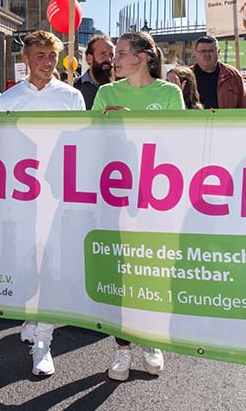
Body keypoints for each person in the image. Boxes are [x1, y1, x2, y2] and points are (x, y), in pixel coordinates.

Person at [0, 30, 85, 377]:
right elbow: (0, 150)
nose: (47, 63)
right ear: (26, 59)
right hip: (20, 197)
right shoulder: (9, 99)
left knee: (53, 265)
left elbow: (79, 146)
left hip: (58, 195)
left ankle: (43, 342)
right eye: (40, 56)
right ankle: (33, 317)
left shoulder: (71, 97)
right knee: (27, 263)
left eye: (52, 56)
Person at [91, 31, 179, 381]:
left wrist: (137, 123)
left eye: (122, 53)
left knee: (151, 268)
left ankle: (151, 340)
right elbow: (92, 140)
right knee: (120, 271)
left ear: (142, 57)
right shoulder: (105, 94)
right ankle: (122, 347)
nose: (114, 59)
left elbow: (178, 142)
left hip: (156, 196)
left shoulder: (169, 93)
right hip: (115, 196)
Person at [191, 35, 246, 109]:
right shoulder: (186, 76)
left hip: (225, 117)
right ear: (195, 53)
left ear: (218, 52)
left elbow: (245, 106)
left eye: (211, 51)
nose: (207, 55)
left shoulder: (233, 75)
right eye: (203, 51)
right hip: (195, 117)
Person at [74, 34, 114, 109]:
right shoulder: (73, 87)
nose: (109, 59)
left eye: (111, 55)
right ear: (89, 58)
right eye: (103, 54)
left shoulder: (118, 89)